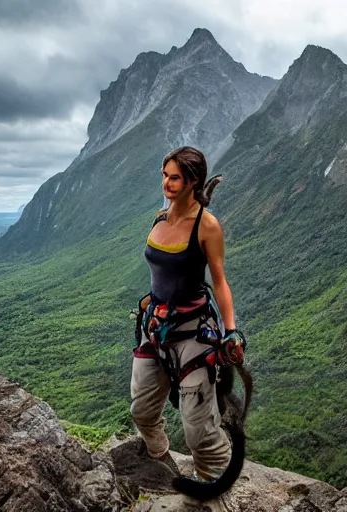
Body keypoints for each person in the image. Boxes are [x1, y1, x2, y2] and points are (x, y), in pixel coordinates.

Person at [130, 146, 246, 485]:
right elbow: (162, 271)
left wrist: (231, 331)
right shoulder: (159, 217)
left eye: (175, 177)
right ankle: (160, 462)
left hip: (194, 335)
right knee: (142, 411)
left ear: (193, 181)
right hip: (156, 328)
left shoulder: (207, 226)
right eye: (164, 175)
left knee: (199, 431)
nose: (166, 182)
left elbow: (220, 282)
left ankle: (217, 490)